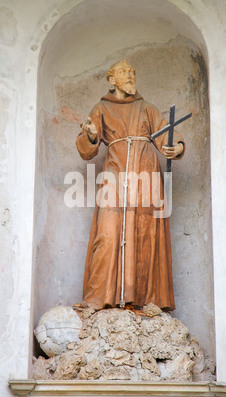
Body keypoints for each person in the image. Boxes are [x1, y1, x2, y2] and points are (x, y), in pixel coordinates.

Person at [75, 59, 185, 311]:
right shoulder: (101, 108)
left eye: (133, 73)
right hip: (115, 174)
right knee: (107, 232)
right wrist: (91, 135)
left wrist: (176, 146)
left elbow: (167, 134)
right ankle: (97, 298)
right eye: (125, 72)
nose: (131, 76)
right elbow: (86, 147)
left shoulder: (147, 108)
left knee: (145, 232)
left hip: (146, 174)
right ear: (112, 79)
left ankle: (145, 300)